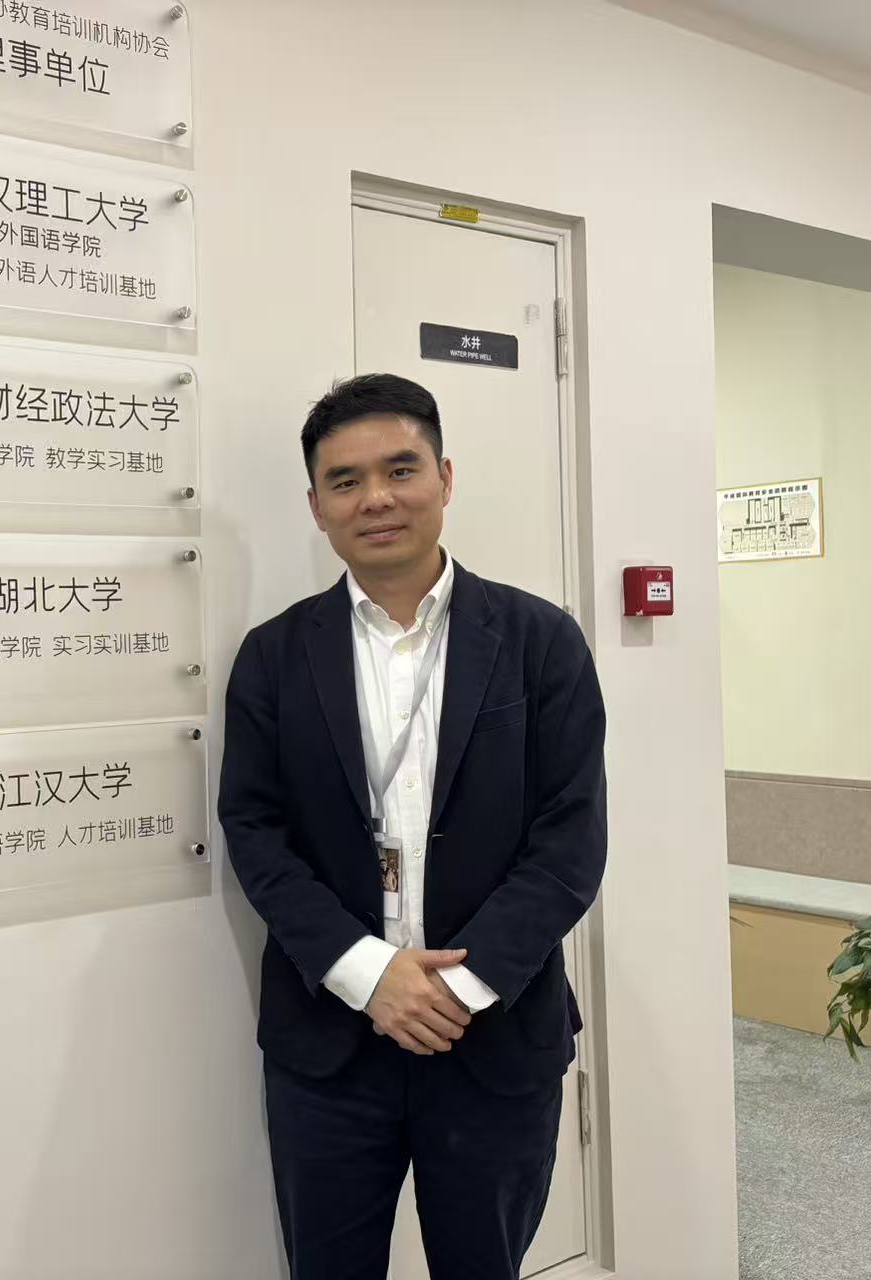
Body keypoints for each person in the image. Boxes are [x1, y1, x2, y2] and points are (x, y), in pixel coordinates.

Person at [219, 374, 606, 1280]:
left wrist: (454, 991)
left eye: (400, 470)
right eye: (345, 480)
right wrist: (368, 974)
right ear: (316, 507)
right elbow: (255, 832)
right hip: (329, 1045)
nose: (376, 498)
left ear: (444, 477)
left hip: (493, 1037)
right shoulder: (274, 655)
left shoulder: (539, 639)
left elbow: (569, 840)